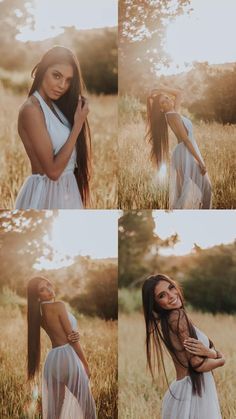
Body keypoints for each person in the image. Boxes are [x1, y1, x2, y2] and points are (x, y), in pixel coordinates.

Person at [15, 46, 91, 209]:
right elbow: (53, 172)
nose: (62, 85)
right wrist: (77, 125)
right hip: (47, 195)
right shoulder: (31, 110)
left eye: (69, 80)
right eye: (57, 76)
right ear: (42, 71)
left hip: (66, 192)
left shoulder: (55, 106)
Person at [142, 274, 224, 419]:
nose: (171, 295)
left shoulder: (168, 320)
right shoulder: (177, 317)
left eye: (171, 287)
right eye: (162, 295)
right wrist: (220, 359)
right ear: (156, 304)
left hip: (184, 390)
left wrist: (209, 352)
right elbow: (197, 364)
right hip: (193, 392)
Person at [27, 276, 96, 418]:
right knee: (89, 410)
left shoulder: (36, 313)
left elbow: (65, 334)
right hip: (68, 356)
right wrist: (85, 365)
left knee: (54, 414)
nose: (48, 289)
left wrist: (74, 335)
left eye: (48, 285)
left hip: (52, 362)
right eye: (42, 290)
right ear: (38, 296)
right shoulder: (58, 305)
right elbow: (72, 339)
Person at [146, 86, 212, 209]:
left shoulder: (172, 113)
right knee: (206, 188)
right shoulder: (172, 116)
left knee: (188, 190)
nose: (167, 100)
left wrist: (159, 88)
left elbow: (178, 93)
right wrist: (200, 161)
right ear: (161, 109)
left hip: (182, 152)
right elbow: (186, 140)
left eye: (166, 97)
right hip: (186, 153)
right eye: (163, 102)